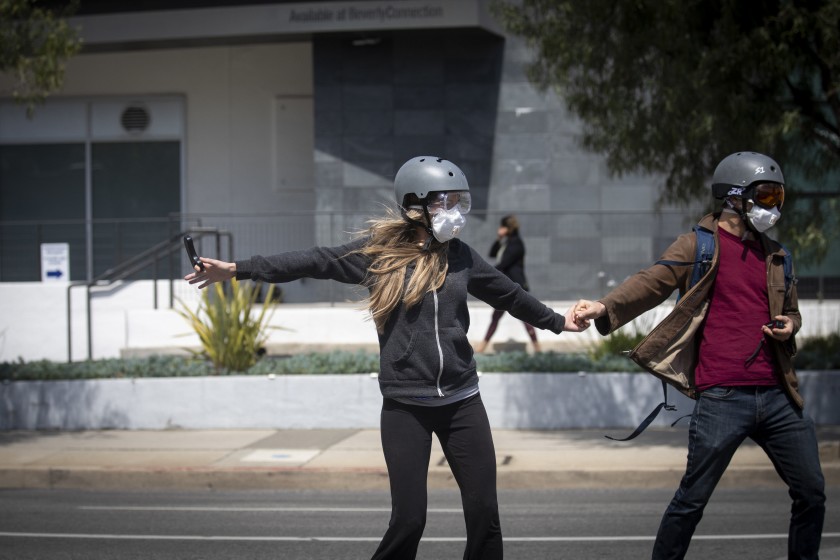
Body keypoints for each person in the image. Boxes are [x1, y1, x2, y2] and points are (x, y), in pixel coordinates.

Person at [185, 155, 588, 560]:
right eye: (444, 202)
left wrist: (558, 322)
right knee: (409, 520)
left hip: (463, 402)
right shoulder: (376, 255)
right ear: (415, 204)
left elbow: (510, 294)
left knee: (485, 514)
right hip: (405, 407)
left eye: (459, 202)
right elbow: (315, 260)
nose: (455, 213)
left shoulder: (461, 256)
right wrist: (239, 269)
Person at [573, 151, 826, 560]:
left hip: (779, 395)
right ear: (734, 198)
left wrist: (791, 325)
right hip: (723, 398)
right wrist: (603, 307)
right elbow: (651, 281)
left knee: (812, 492)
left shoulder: (777, 256)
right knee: (692, 500)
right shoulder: (699, 246)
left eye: (778, 196)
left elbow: (792, 310)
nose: (774, 207)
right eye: (765, 196)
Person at [474, 215, 541, 353]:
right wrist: (499, 239)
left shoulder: (516, 244)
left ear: (508, 228)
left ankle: (538, 349)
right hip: (506, 287)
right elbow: (492, 254)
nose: (500, 229)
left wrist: (486, 273)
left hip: (515, 287)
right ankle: (482, 347)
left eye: (502, 226)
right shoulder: (507, 242)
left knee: (524, 317)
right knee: (497, 317)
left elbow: (503, 264)